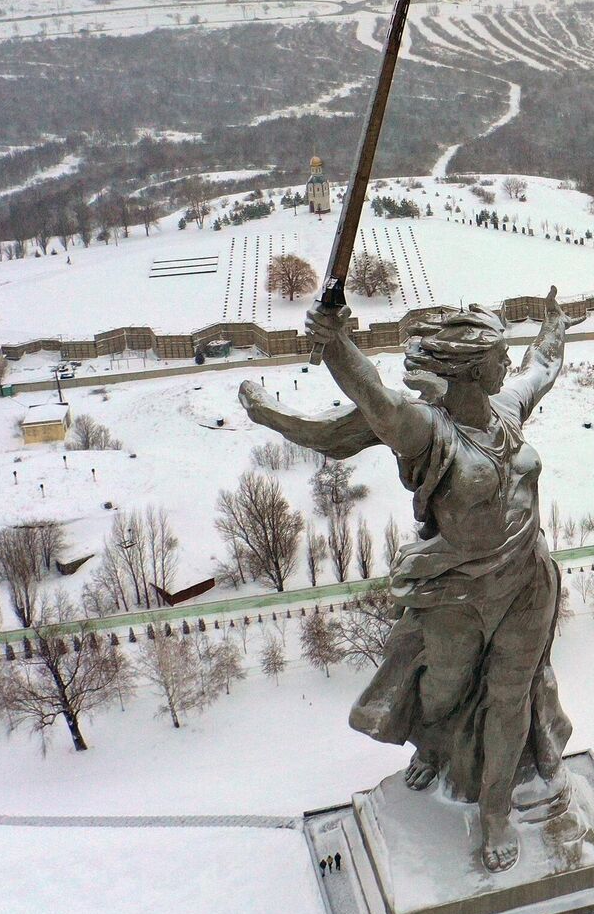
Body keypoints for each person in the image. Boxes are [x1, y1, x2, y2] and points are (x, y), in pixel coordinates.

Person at [240, 290, 575, 873]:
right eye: (499, 358)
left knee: (509, 697)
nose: (507, 365)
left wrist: (556, 328)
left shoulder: (506, 412)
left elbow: (540, 369)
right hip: (458, 596)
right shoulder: (428, 431)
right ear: (473, 370)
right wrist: (336, 343)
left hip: (526, 583)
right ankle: (437, 748)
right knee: (440, 691)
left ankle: (495, 809)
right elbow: (374, 396)